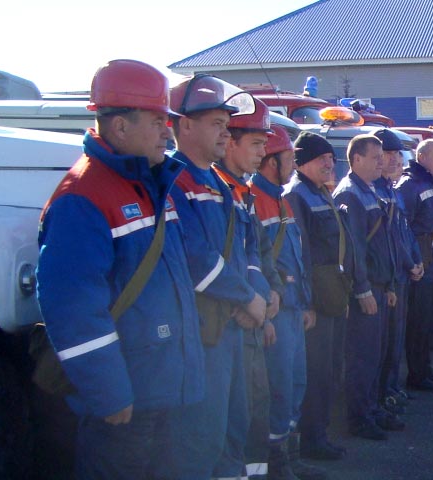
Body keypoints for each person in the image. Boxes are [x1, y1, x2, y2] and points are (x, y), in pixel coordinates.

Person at [36, 59, 205, 479]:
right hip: (125, 404)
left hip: (162, 390)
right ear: (120, 126)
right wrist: (108, 393)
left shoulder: (150, 183)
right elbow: (72, 309)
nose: (167, 131)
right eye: (157, 120)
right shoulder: (83, 197)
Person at [168, 74, 268, 480]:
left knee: (233, 428)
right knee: (201, 438)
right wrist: (247, 298)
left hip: (230, 327)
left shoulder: (218, 182)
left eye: (227, 124)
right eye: (216, 124)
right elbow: (195, 256)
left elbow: (245, 250)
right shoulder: (174, 180)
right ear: (184, 125)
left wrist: (253, 294)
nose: (226, 132)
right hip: (201, 332)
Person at [212, 97, 285, 479]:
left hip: (252, 319)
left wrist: (272, 293)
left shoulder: (243, 193)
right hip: (228, 326)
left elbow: (258, 253)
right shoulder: (214, 192)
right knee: (229, 422)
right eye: (256, 144)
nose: (262, 153)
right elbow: (208, 262)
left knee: (254, 410)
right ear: (231, 143)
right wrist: (248, 300)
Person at [250, 125, 327, 480]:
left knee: (296, 384)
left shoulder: (281, 200)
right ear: (271, 162)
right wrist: (267, 315)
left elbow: (297, 257)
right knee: (278, 389)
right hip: (276, 311)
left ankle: (289, 457)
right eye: (288, 158)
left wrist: (307, 303)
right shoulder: (253, 200)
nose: (293, 165)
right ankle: (275, 465)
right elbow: (257, 263)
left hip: (294, 310)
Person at [284, 132, 350, 461]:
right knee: (316, 371)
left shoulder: (319, 191)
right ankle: (312, 439)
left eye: (330, 158)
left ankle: (321, 432)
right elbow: (300, 253)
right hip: (317, 298)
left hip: (331, 293)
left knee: (331, 367)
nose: (329, 163)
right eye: (322, 159)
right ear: (303, 161)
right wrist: (307, 301)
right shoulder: (297, 195)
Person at [333, 134, 403, 440]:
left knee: (376, 354)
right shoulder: (350, 194)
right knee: (362, 357)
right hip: (366, 289)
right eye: (375, 157)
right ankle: (359, 417)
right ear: (356, 159)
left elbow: (383, 243)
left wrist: (388, 284)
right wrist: (362, 289)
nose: (381, 162)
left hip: (379, 285)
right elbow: (355, 249)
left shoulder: (369, 190)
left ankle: (372, 409)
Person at [396, 139, 433, 391]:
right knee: (418, 325)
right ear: (421, 157)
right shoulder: (410, 185)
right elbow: (403, 228)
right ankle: (416, 375)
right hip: (421, 269)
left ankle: (425, 369)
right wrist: (413, 261)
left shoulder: (430, 183)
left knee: (429, 324)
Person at [372, 129, 424, 414]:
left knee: (396, 338)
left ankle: (391, 388)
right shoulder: (374, 191)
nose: (395, 160)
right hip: (388, 277)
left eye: (397, 154)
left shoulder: (391, 190)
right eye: (388, 154)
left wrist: (416, 258)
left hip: (401, 275)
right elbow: (389, 238)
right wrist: (409, 262)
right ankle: (381, 395)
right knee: (382, 343)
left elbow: (405, 231)